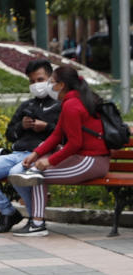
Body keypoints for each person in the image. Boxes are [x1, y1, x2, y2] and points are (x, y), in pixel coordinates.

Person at [8, 65, 109, 236]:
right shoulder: (71, 101)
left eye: (51, 82)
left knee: (37, 176)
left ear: (61, 85)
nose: (49, 86)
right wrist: (36, 154)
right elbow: (56, 135)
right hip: (85, 159)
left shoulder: (72, 105)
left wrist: (49, 161)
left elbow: (75, 144)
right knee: (35, 172)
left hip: (92, 161)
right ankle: (37, 223)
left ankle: (37, 225)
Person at [0, 59, 60, 233]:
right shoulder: (27, 105)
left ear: (51, 79)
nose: (36, 85)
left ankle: (36, 219)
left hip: (42, 155)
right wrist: (21, 126)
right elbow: (10, 134)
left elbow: (66, 134)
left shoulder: (60, 105)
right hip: (17, 153)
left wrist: (46, 127)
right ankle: (8, 212)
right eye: (32, 81)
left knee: (16, 173)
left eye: (40, 80)